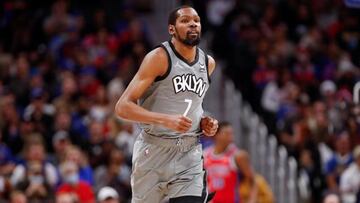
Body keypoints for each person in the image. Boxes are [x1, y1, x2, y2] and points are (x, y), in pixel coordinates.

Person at [115, 5, 218, 203]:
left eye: (196, 21)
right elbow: (122, 107)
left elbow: (190, 103)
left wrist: (204, 121)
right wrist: (165, 120)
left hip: (189, 153)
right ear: (172, 29)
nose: (193, 25)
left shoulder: (208, 63)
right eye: (185, 21)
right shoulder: (158, 58)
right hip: (153, 151)